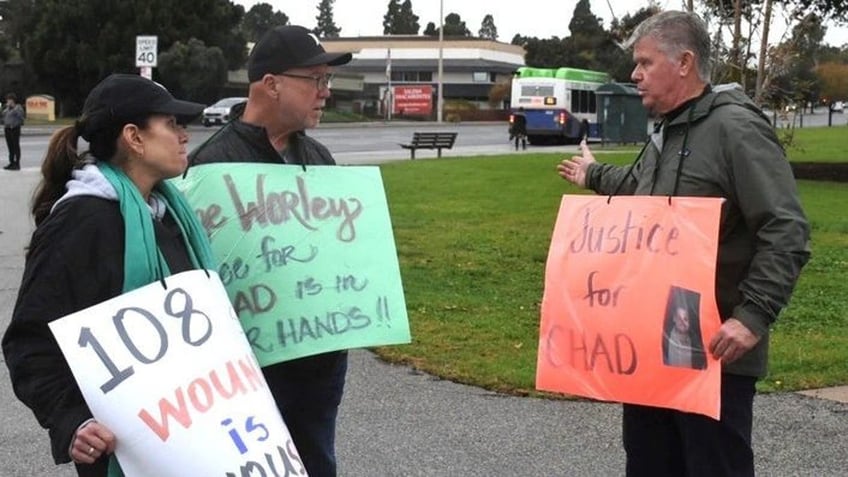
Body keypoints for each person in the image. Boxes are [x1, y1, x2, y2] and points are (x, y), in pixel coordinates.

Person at [556, 10, 810, 477]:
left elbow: (786, 228)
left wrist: (752, 318)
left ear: (685, 63)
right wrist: (591, 174)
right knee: (650, 463)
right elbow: (642, 190)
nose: (634, 74)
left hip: (714, 354)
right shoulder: (667, 132)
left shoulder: (735, 129)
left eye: (645, 63)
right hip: (652, 351)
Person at [2, 73, 214, 477]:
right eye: (171, 124)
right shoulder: (80, 223)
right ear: (133, 137)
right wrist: (75, 422)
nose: (184, 135)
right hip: (124, 452)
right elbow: (30, 343)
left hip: (192, 437)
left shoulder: (169, 216)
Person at [189, 25, 353, 477]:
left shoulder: (319, 160)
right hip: (249, 367)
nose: (325, 93)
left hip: (319, 363)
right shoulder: (211, 166)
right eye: (315, 80)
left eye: (328, 81)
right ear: (271, 84)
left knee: (315, 462)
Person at [2, 92, 25, 170]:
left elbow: (21, 118)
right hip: (7, 129)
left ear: (13, 101)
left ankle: (17, 163)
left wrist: (14, 108)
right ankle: (11, 162)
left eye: (9, 100)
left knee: (16, 146)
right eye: (7, 100)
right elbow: (3, 117)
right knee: (10, 147)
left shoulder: (18, 108)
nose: (8, 102)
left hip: (14, 129)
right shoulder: (7, 109)